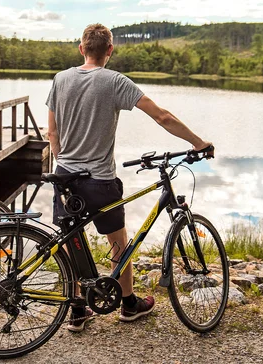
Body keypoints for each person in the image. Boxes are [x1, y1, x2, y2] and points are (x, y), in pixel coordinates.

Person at [45, 23, 214, 331]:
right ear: (109, 50)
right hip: (100, 180)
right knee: (118, 242)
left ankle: (79, 308)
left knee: (71, 242)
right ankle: (128, 304)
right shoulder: (115, 82)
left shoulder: (60, 79)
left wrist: (62, 159)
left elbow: (52, 132)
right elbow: (162, 116)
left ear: (81, 48)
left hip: (65, 177)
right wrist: (197, 142)